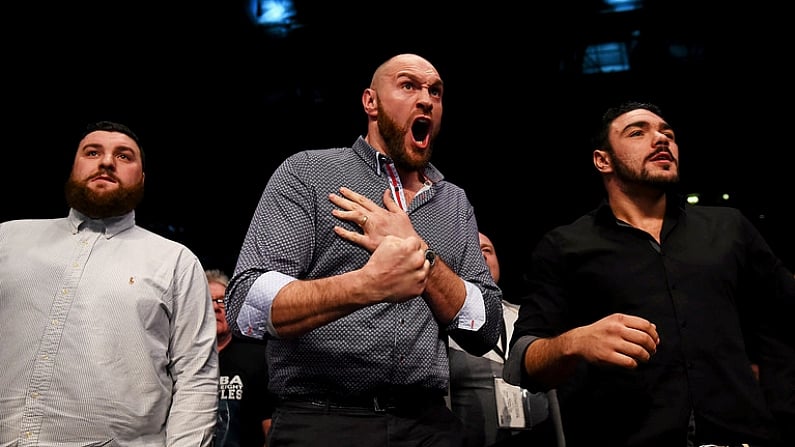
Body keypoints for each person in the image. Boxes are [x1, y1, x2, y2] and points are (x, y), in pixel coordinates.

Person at [225, 53, 503, 447]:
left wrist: (417, 251)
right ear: (370, 102)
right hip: (321, 421)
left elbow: (487, 327)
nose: (426, 99)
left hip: (428, 423)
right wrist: (367, 285)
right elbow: (246, 304)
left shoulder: (453, 202)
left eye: (435, 91)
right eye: (408, 85)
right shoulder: (308, 172)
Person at [503, 101, 795, 447]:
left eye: (667, 133)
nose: (661, 139)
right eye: (638, 132)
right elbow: (520, 363)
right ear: (603, 160)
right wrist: (575, 342)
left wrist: (781, 411)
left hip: (742, 436)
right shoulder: (565, 246)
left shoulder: (728, 228)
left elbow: (785, 315)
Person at [0, 120, 219, 445]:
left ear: (142, 179)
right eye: (92, 152)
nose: (106, 162)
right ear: (74, 167)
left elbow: (196, 379)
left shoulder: (175, 261)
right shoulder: (7, 239)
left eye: (124, 156)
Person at [448, 232, 554, 447]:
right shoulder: (443, 324)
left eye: (487, 250)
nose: (483, 256)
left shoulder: (525, 316)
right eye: (473, 250)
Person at [207, 268, 274, 447]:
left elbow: (269, 425)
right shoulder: (180, 360)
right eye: (207, 300)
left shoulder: (257, 357)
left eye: (221, 301)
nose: (215, 307)